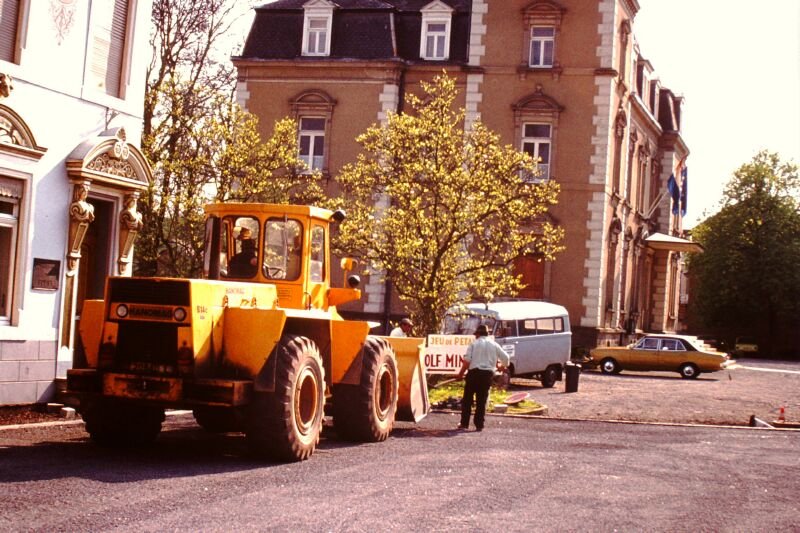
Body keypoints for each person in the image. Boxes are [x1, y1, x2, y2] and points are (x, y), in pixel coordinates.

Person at [456, 324, 510, 431]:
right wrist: (501, 366)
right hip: (487, 375)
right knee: (481, 401)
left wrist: (460, 374)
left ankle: (464, 424)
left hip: (473, 374)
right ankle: (479, 425)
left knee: (467, 400)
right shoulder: (494, 345)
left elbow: (467, 362)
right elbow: (506, 358)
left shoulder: (474, 344)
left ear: (478, 334)